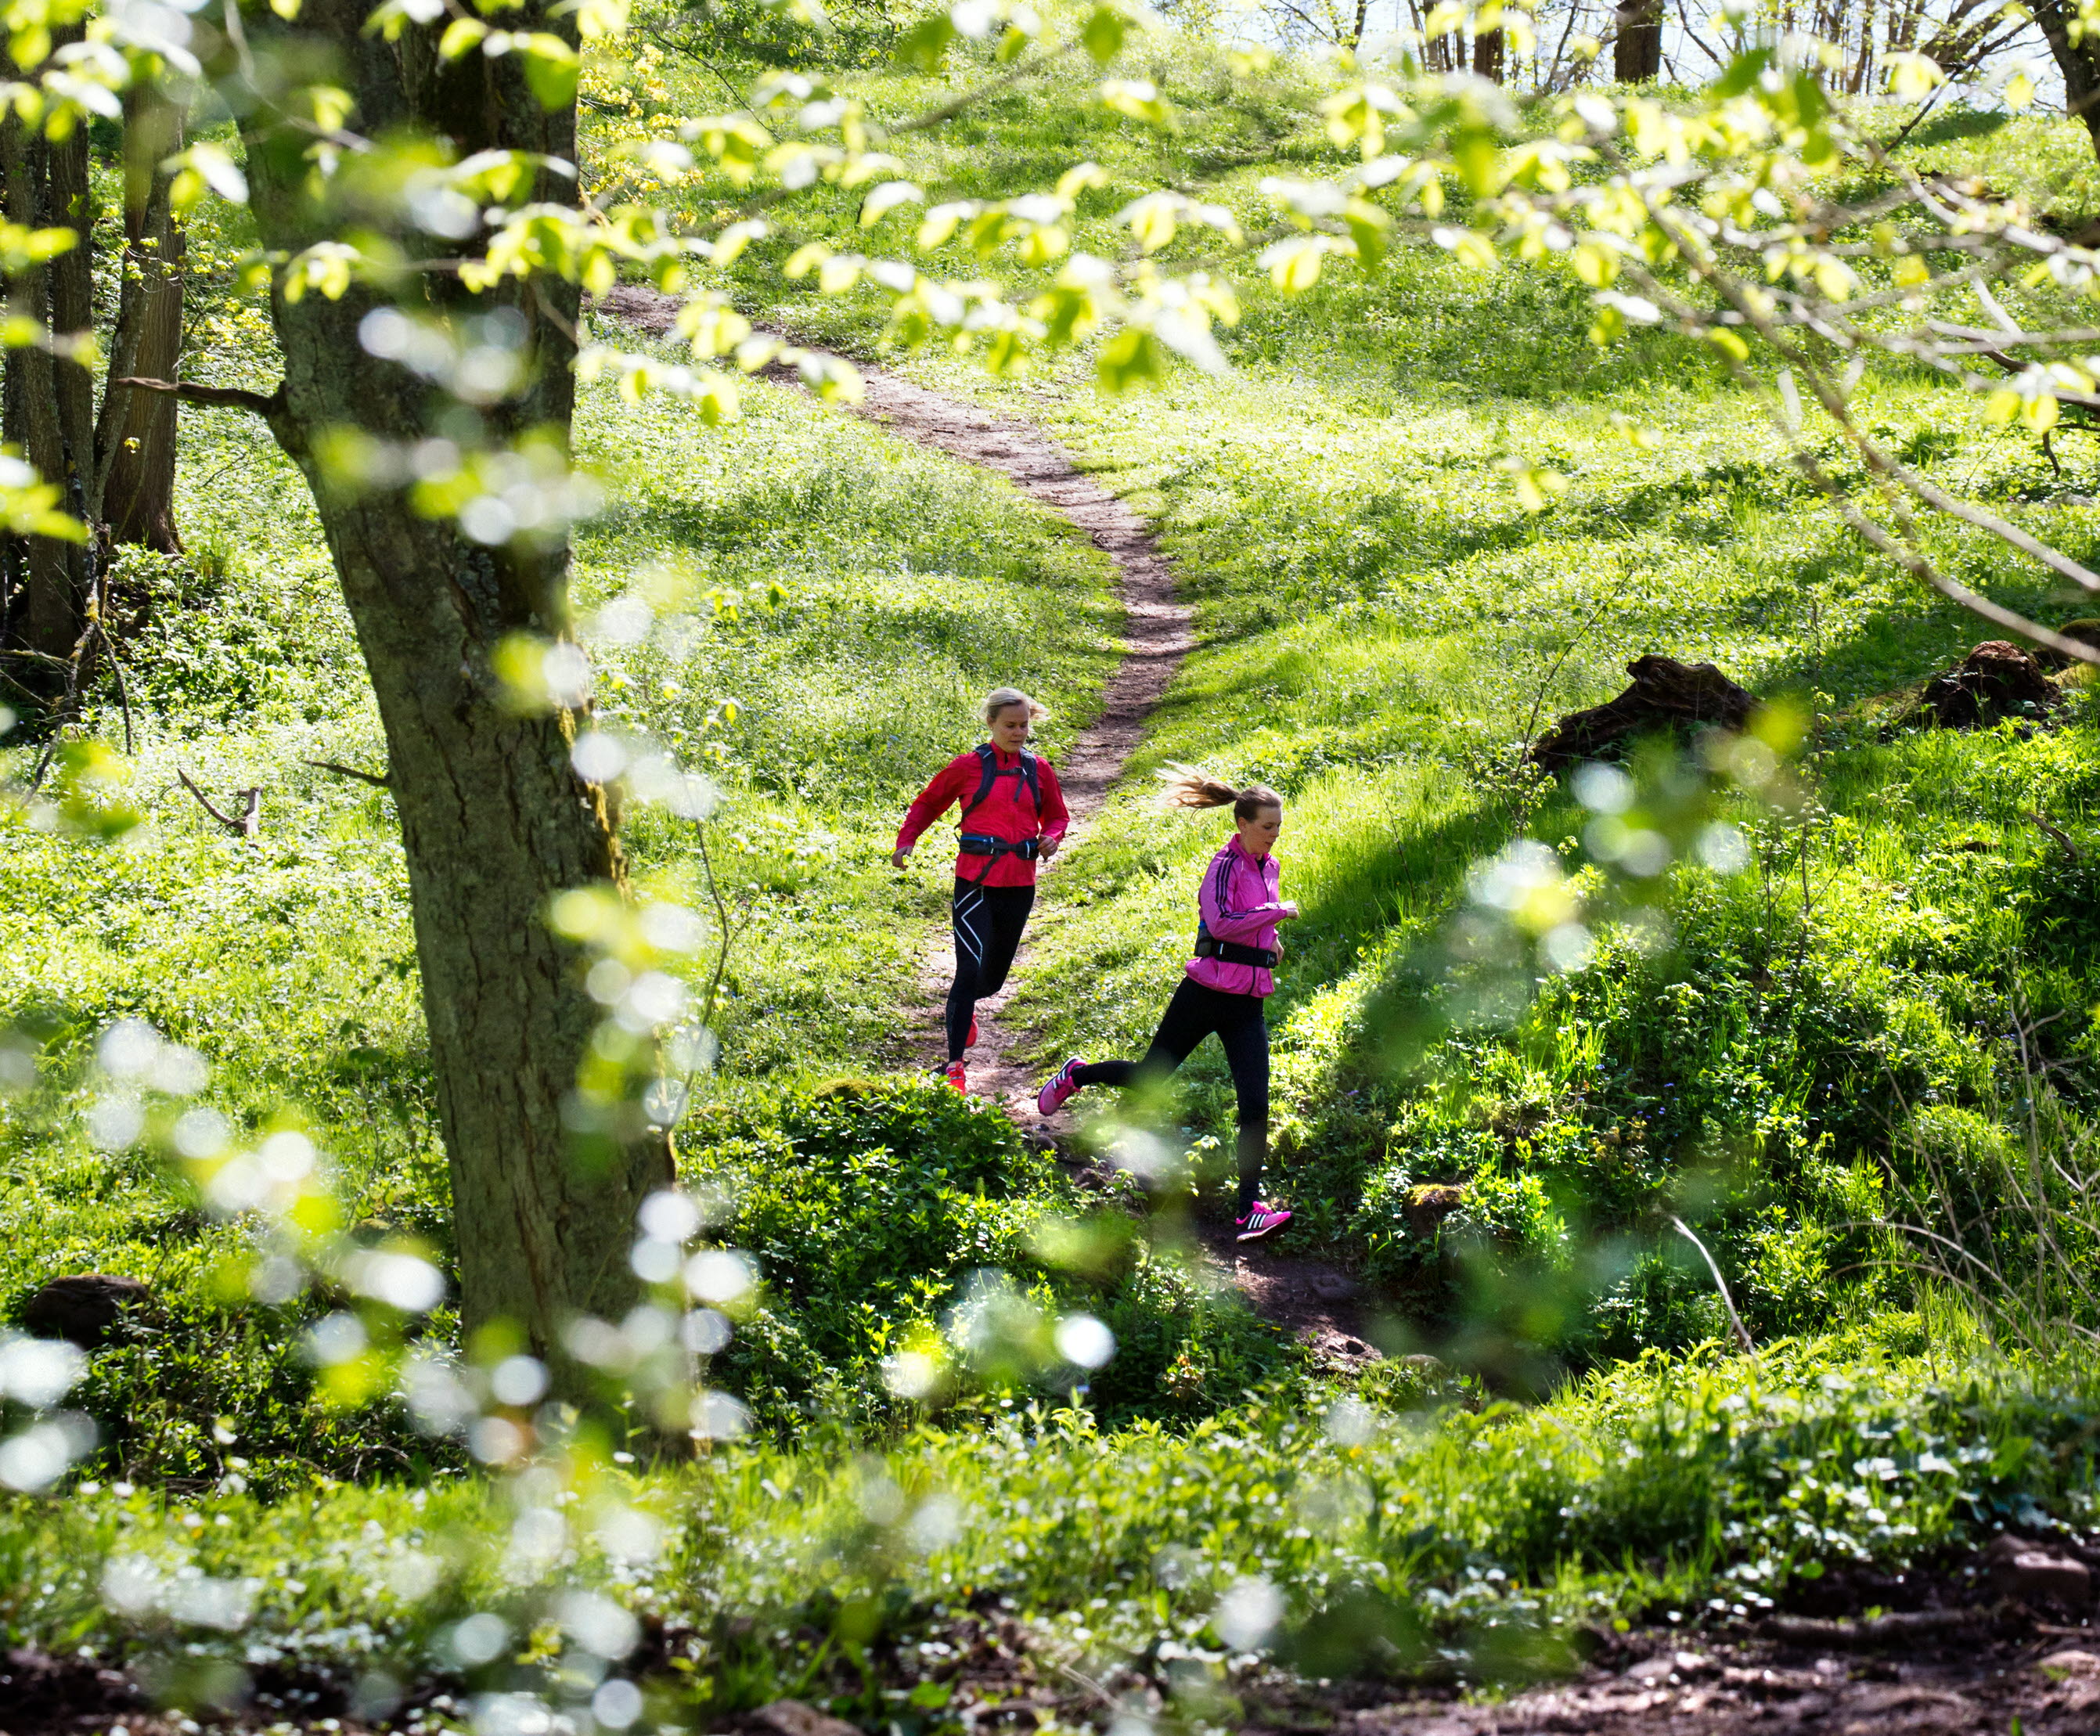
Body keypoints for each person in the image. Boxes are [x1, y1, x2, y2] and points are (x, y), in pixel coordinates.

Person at [1035, 765, 1299, 1241]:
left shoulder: (1270, 867)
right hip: (1205, 994)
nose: (1274, 836)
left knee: (1255, 1104)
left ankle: (1247, 1209)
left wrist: (1273, 939)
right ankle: (1078, 1074)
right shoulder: (1223, 865)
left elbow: (1257, 920)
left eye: (1278, 827)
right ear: (1242, 824)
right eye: (1267, 827)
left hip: (1248, 1002)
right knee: (1149, 1076)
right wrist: (1276, 912)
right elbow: (1220, 924)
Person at [894, 687, 1070, 1093]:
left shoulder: (1038, 769)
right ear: (991, 723)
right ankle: (955, 1065)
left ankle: (966, 1008)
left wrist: (1053, 837)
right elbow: (928, 803)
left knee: (991, 981)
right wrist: (908, 839)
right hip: (974, 881)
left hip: (1019, 883)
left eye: (1024, 724)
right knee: (968, 970)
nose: (1019, 732)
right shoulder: (968, 767)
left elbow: (1057, 815)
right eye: (1010, 725)